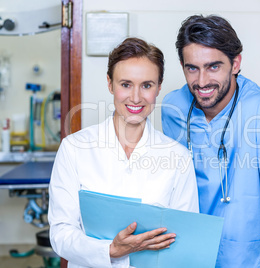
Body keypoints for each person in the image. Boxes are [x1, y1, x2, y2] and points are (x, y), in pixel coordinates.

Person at [162, 15, 260, 267]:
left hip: (243, 256)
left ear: (236, 63)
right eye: (192, 68)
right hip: (186, 252)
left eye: (213, 67)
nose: (202, 81)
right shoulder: (173, 108)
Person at [48, 37, 199, 268]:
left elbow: (185, 239)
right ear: (110, 84)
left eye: (147, 85)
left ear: (159, 87)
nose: (136, 97)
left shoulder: (178, 157)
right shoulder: (75, 149)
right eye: (126, 84)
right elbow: (60, 233)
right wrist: (110, 250)